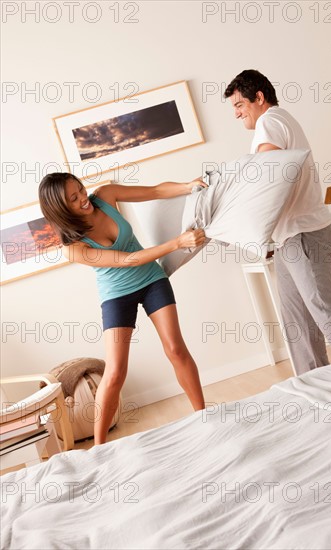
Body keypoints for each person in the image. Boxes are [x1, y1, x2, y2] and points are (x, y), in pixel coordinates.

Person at [39, 174, 206, 444]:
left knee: (175, 349)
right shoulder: (73, 248)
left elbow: (155, 189)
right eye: (74, 198)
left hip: (152, 280)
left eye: (80, 189)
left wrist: (187, 186)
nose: (83, 198)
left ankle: (202, 417)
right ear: (61, 209)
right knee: (115, 372)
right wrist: (177, 243)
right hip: (117, 295)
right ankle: (99, 446)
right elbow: (128, 259)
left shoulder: (105, 196)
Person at [224, 69, 331, 374]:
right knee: (298, 323)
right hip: (290, 236)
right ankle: (315, 384)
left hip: (303, 233)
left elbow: (267, 179)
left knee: (326, 314)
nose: (236, 115)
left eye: (239, 105)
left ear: (259, 97)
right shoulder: (281, 120)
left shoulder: (270, 121)